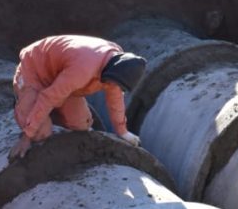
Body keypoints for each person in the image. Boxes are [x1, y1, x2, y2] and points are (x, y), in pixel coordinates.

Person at [10, 35, 147, 160]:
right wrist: (27, 136)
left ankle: (49, 114)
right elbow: (48, 97)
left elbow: (115, 102)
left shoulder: (117, 69)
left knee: (81, 125)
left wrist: (123, 132)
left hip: (62, 77)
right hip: (35, 71)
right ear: (110, 70)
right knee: (39, 133)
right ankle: (23, 105)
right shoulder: (83, 69)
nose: (113, 86)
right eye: (112, 82)